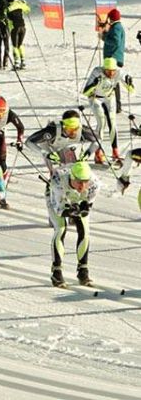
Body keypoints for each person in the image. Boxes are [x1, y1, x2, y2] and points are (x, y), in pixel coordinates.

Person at [47, 159, 99, 287]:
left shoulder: (94, 184)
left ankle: (83, 270)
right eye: (79, 182)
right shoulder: (58, 181)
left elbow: (87, 206)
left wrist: (82, 209)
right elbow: (59, 210)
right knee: (61, 228)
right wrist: (69, 211)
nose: (82, 186)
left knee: (85, 231)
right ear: (72, 177)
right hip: (58, 197)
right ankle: (56, 271)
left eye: (85, 182)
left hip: (76, 198)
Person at [83, 57, 134, 164]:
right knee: (101, 123)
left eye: (113, 71)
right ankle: (98, 151)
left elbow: (131, 90)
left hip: (109, 97)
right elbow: (85, 92)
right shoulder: (97, 71)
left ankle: (115, 151)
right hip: (95, 97)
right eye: (108, 71)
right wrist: (94, 84)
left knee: (112, 123)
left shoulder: (119, 72)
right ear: (104, 68)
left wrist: (130, 83)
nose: (111, 74)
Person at [97, 10, 127, 111]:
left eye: (109, 18)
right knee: (112, 81)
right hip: (113, 58)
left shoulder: (117, 28)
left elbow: (115, 41)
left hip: (113, 59)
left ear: (111, 18)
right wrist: (104, 32)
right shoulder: (115, 27)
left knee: (113, 82)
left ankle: (116, 106)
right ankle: (114, 104)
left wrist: (104, 37)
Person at [7, 0, 31, 70]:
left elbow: (5, 18)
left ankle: (16, 63)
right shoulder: (19, 4)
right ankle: (23, 62)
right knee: (20, 44)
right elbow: (27, 10)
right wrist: (24, 3)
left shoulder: (8, 8)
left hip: (15, 28)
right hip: (23, 28)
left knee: (15, 46)